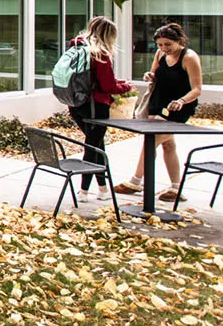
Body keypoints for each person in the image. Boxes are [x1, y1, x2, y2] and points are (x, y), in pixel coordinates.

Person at [115, 22, 203, 201]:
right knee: (167, 144)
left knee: (152, 139)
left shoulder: (189, 58)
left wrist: (181, 101)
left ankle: (135, 181)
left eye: (168, 45)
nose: (164, 48)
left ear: (179, 41)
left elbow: (197, 89)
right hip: (158, 102)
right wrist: (149, 75)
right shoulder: (160, 54)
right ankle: (176, 188)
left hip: (178, 106)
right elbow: (155, 73)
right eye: (160, 45)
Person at [66, 16, 132, 200]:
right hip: (96, 106)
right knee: (92, 146)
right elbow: (108, 86)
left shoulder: (76, 45)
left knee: (97, 145)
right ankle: (83, 192)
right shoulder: (100, 53)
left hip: (76, 103)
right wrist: (126, 86)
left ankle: (103, 189)